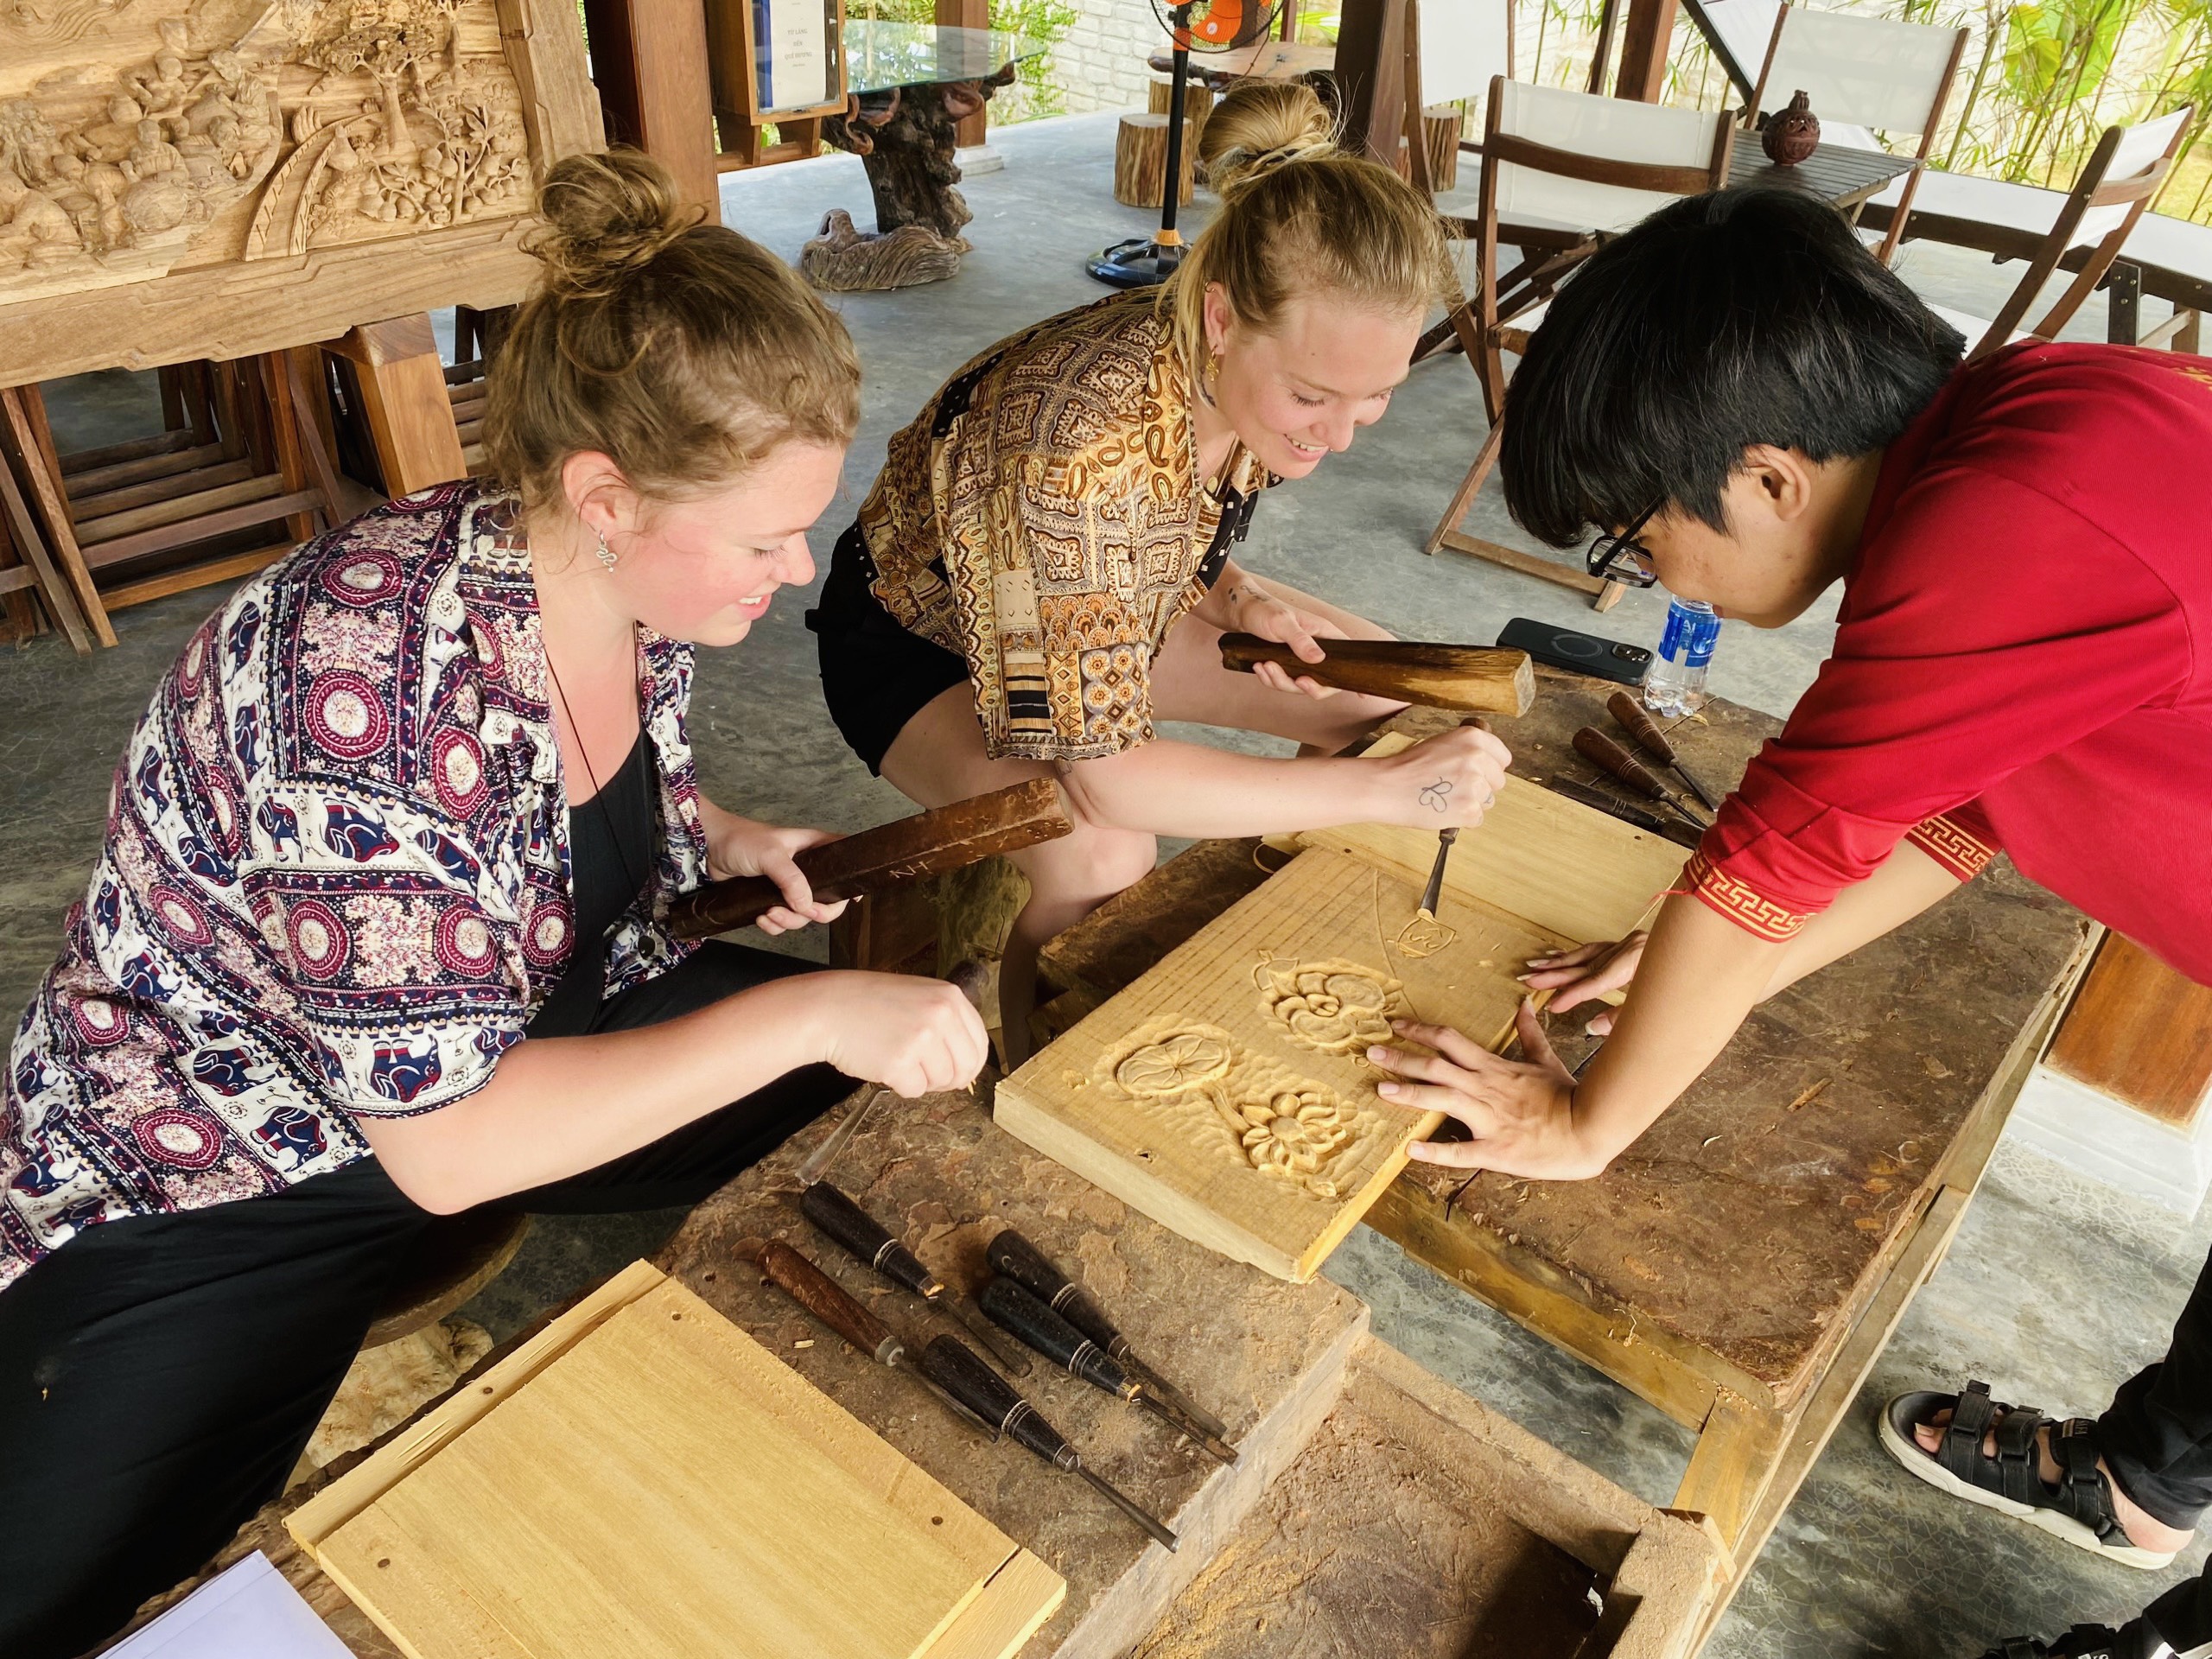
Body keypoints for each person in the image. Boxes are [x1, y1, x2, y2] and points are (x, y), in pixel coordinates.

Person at [0, 150, 988, 1659]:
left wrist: (712, 822)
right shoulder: (364, 683)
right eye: (765, 537)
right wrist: (814, 1004)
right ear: (607, 494)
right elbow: (453, 1144)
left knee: (858, 1128)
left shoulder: (603, 571)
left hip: (521, 1014)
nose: (794, 575)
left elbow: (553, 799)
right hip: (235, 1156)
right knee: (70, 1598)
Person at [1363, 186, 2211, 1659]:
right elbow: (1949, 813)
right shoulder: (2033, 411)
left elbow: (1791, 837)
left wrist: (1586, 1127)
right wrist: (1717, 963)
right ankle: (2152, 1481)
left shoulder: (1995, 531)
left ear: (1761, 477)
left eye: (1636, 544)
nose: (1647, 584)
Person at [810, 80, 1511, 1061]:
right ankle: (1026, 1063)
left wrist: (1232, 589)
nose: (1341, 435)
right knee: (1098, 849)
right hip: (923, 640)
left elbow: (1163, 525)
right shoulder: (1068, 444)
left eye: (1377, 396)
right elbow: (1108, 781)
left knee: (1371, 689)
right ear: (1221, 320)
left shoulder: (1241, 364)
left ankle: (1283, 940)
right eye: (1315, 396)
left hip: (1083, 603)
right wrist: (1388, 795)